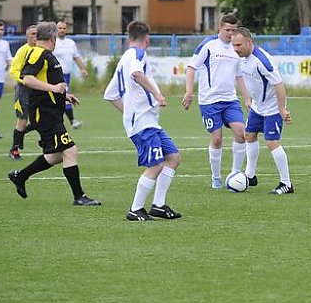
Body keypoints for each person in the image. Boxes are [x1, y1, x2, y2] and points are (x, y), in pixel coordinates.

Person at [7, 21, 100, 206]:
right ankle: (79, 196)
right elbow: (27, 78)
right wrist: (54, 88)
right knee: (71, 150)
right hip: (45, 114)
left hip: (51, 111)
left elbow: (45, 83)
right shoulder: (38, 54)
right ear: (52, 37)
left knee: (57, 155)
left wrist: (64, 96)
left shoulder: (45, 54)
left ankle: (20, 175)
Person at [104, 21, 182, 221]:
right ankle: (135, 209)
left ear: (129, 37)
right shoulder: (137, 55)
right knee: (155, 165)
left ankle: (159, 205)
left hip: (148, 122)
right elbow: (137, 74)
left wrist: (128, 112)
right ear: (147, 39)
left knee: (173, 157)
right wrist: (157, 95)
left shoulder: (124, 59)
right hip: (143, 123)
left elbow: (110, 94)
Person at [181, 14, 250, 189]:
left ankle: (235, 174)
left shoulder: (236, 49)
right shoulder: (208, 45)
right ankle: (216, 177)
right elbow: (191, 68)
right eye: (228, 30)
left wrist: (247, 98)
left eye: (234, 31)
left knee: (242, 134)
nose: (231, 34)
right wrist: (189, 92)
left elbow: (239, 77)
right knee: (217, 139)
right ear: (220, 28)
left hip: (230, 100)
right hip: (209, 101)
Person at [231, 27, 294, 195]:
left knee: (272, 142)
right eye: (233, 45)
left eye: (238, 45)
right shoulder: (243, 58)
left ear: (249, 42)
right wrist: (248, 98)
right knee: (249, 135)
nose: (236, 49)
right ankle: (250, 176)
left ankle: (286, 183)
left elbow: (279, 84)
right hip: (258, 106)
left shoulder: (263, 61)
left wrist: (282, 108)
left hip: (272, 107)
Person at [7, 25, 37, 160]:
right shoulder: (23, 51)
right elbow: (13, 71)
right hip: (23, 90)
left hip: (38, 89)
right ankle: (14, 149)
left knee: (40, 119)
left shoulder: (41, 51)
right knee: (23, 119)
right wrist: (25, 80)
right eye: (32, 34)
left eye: (37, 33)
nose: (35, 36)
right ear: (27, 36)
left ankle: (21, 135)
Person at [53, 20, 89, 129]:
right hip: (57, 75)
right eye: (60, 28)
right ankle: (72, 121)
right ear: (56, 29)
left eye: (64, 28)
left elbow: (76, 57)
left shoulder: (71, 43)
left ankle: (58, 121)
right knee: (64, 97)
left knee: (60, 99)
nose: (62, 30)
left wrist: (83, 69)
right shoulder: (53, 42)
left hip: (67, 75)